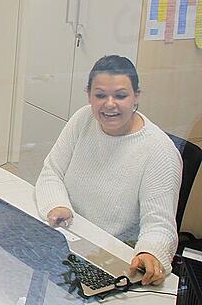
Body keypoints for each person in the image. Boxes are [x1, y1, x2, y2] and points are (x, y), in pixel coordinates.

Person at [35, 55, 181, 286]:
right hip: (69, 242)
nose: (109, 104)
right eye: (100, 95)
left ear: (136, 97)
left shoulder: (159, 151)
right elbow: (52, 172)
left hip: (114, 258)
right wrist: (57, 205)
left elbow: (159, 224)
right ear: (89, 96)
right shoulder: (82, 119)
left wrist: (150, 252)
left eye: (121, 95)